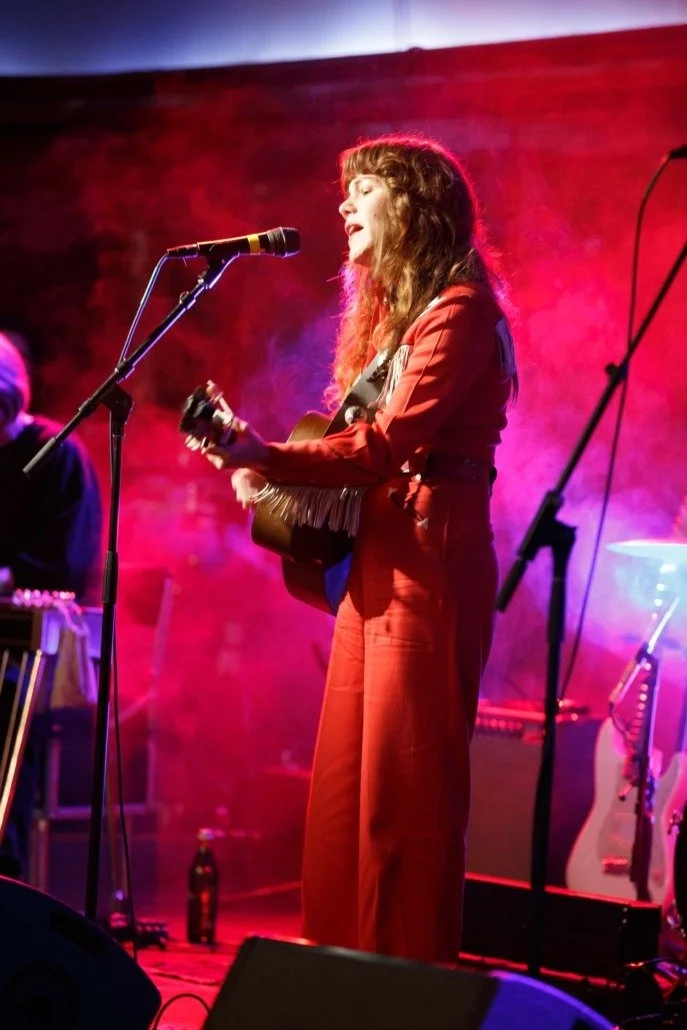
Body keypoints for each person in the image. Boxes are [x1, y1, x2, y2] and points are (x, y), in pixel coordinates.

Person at [189, 134, 518, 964]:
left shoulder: (461, 310)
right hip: (377, 557)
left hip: (428, 559)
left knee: (403, 801)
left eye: (363, 189)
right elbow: (357, 454)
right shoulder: (400, 321)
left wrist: (263, 454)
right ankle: (333, 981)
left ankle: (402, 994)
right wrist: (264, 473)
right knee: (342, 794)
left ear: (411, 204)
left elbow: (383, 445)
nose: (342, 205)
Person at [0, 330, 102, 879]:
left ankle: (8, 880)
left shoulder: (56, 456)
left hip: (44, 645)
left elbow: (69, 563)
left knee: (7, 698)